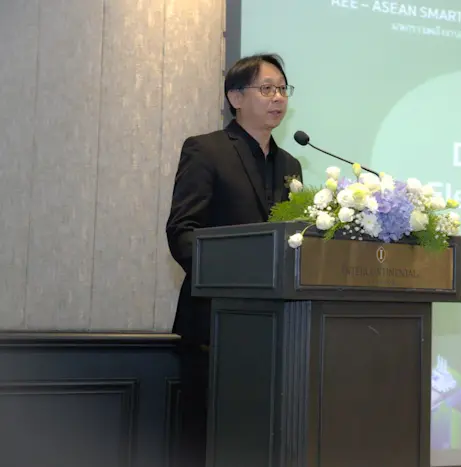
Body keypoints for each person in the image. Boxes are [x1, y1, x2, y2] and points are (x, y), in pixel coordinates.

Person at [165, 53, 303, 467]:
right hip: (216, 325)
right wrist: (233, 274)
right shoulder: (206, 150)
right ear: (235, 98)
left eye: (282, 89)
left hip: (276, 331)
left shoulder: (290, 164)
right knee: (207, 442)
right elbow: (183, 231)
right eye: (267, 89)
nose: (278, 98)